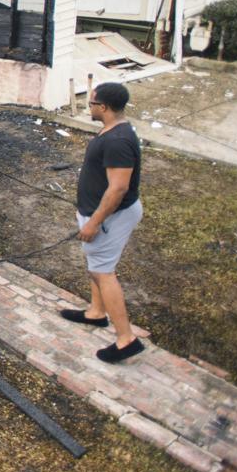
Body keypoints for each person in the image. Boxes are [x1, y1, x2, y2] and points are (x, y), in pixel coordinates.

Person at [59, 81, 146, 363]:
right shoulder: (115, 129)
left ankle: (126, 340)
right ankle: (96, 313)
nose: (89, 106)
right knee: (97, 266)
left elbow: (118, 189)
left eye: (92, 102)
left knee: (104, 271)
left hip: (110, 217)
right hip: (101, 214)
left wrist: (94, 222)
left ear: (104, 107)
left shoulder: (118, 141)